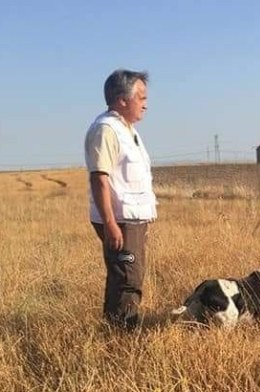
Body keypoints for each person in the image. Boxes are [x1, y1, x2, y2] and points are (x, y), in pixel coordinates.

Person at [84, 69, 157, 330]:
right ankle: (122, 338)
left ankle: (115, 331)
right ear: (121, 99)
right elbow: (99, 179)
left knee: (125, 276)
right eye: (141, 97)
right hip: (120, 220)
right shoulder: (107, 130)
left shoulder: (127, 130)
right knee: (128, 279)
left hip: (131, 221)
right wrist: (110, 223)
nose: (146, 104)